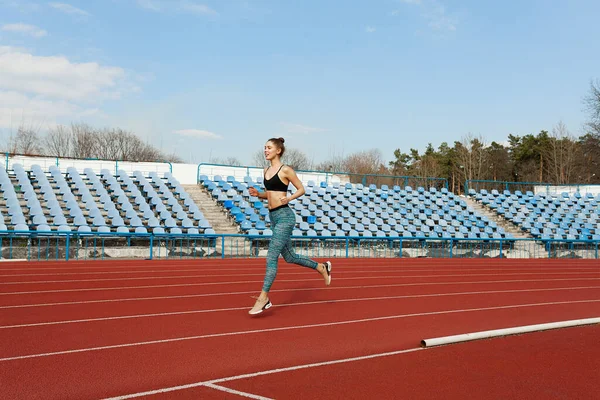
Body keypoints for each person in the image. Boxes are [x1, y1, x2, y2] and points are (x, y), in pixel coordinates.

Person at [248, 137, 332, 315]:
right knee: (290, 257)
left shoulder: (285, 169)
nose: (265, 150)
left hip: (285, 216)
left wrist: (290, 198)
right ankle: (321, 267)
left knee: (271, 257)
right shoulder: (266, 170)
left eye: (269, 147)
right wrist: (259, 194)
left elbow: (301, 189)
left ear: (278, 150)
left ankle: (264, 298)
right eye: (264, 147)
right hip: (274, 217)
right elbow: (271, 194)